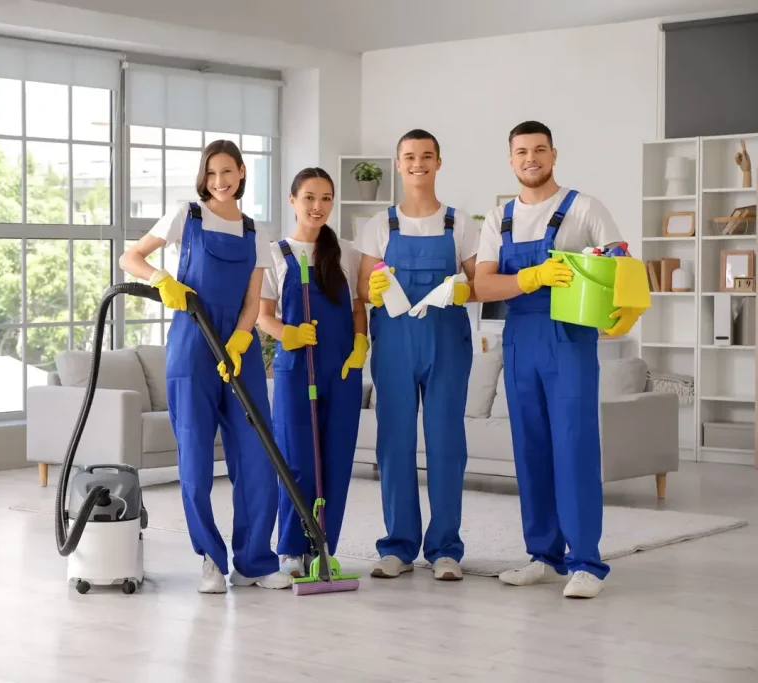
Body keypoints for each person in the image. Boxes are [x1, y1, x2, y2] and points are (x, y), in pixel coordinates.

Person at [473, 120, 642, 599]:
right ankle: (543, 556)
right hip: (519, 338)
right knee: (531, 448)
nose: (531, 158)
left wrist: (621, 308)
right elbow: (483, 285)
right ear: (510, 159)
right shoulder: (498, 216)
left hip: (569, 338)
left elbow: (619, 262)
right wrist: (529, 279)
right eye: (521, 151)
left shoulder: (584, 208)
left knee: (574, 445)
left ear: (554, 155)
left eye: (539, 150)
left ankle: (585, 562)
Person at [119, 139, 292, 593]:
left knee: (257, 454)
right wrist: (160, 279)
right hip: (192, 344)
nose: (220, 181)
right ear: (204, 176)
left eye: (228, 172)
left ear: (241, 173)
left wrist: (239, 338)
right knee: (195, 457)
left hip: (239, 347)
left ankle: (255, 560)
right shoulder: (187, 215)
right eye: (212, 173)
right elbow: (130, 257)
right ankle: (211, 560)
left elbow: (255, 299)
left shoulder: (256, 231)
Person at [356, 129, 478, 582]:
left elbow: (478, 282)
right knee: (394, 444)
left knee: (447, 444)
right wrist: (371, 287)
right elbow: (362, 288)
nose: (417, 163)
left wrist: (463, 288)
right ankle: (398, 546)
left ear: (438, 163)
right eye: (409, 157)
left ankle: (445, 548)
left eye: (426, 156)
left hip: (447, 341)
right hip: (394, 342)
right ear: (398, 163)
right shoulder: (378, 224)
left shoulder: (459, 223)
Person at [257, 167, 368, 578]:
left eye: (325, 198)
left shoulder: (348, 253)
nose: (317, 206)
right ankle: (289, 549)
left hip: (340, 369)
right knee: (297, 460)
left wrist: (361, 343)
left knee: (336, 461)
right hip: (294, 370)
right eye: (309, 197)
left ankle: (322, 548)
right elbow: (262, 316)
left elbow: (359, 305)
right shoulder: (274, 254)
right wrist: (287, 333)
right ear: (292, 200)